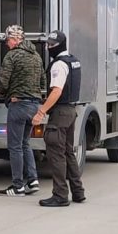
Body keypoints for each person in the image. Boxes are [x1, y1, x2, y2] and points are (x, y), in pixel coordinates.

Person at [32, 30, 85, 207]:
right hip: (71, 110)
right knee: (69, 152)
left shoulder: (59, 65)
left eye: (51, 45)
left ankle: (60, 195)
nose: (48, 47)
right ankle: (78, 192)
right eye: (47, 44)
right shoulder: (73, 60)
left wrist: (41, 111)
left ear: (60, 44)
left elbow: (56, 91)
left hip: (60, 113)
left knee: (56, 154)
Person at [0, 25, 45, 197]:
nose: (7, 44)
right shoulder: (36, 56)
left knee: (14, 146)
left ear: (16, 39)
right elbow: (43, 82)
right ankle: (33, 180)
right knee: (25, 143)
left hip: (18, 105)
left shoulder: (12, 56)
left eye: (8, 40)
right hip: (33, 106)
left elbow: (3, 82)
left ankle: (18, 186)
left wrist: (1, 94)